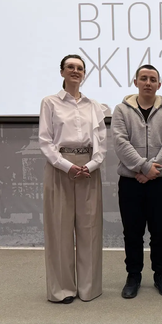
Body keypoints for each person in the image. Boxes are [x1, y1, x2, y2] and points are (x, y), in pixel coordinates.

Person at [39, 54, 106, 304]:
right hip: (60, 168)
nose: (75, 71)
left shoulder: (94, 105)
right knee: (59, 229)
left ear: (84, 73)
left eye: (80, 68)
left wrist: (91, 165)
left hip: (88, 169)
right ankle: (62, 289)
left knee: (90, 230)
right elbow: (45, 141)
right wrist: (66, 166)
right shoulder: (50, 102)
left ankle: (89, 288)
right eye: (70, 67)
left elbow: (101, 141)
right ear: (62, 72)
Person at [111, 65, 162, 299]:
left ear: (159, 85)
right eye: (144, 78)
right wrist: (143, 167)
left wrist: (151, 170)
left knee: (160, 232)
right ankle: (133, 276)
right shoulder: (121, 110)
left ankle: (161, 274)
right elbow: (120, 142)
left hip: (161, 182)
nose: (148, 83)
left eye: (153, 79)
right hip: (131, 182)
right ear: (136, 82)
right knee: (132, 233)